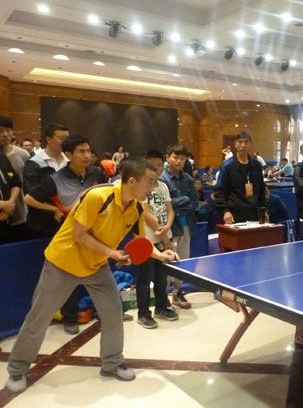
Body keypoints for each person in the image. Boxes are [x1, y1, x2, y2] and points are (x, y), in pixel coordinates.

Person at [5, 159, 179, 392]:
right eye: (150, 181)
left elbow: (141, 240)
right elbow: (79, 234)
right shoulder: (97, 196)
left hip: (96, 266)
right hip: (63, 263)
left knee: (113, 313)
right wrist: (112, 253)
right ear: (131, 181)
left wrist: (160, 254)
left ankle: (112, 362)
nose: (153, 186)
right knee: (39, 316)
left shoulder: (137, 207)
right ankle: (17, 369)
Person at [23, 135, 105, 334]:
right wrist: (55, 209)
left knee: (100, 277)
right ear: (68, 154)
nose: (87, 155)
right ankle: (70, 317)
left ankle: (103, 312)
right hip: (69, 237)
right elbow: (29, 199)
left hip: (96, 234)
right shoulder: (55, 179)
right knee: (70, 279)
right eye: (81, 152)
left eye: (88, 151)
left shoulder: (96, 173)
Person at [136, 150, 179, 329]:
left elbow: (170, 210)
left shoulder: (162, 186)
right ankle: (143, 313)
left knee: (162, 277)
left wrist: (167, 227)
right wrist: (163, 235)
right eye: (153, 165)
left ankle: (161, 307)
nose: (157, 168)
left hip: (164, 236)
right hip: (147, 239)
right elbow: (146, 215)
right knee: (145, 279)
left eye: (160, 165)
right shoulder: (142, 188)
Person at [159, 144, 199, 309]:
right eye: (175, 157)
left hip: (186, 225)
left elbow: (194, 202)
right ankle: (164, 296)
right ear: (168, 157)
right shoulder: (162, 179)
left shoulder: (188, 179)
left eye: (182, 158)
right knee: (168, 260)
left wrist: (178, 203)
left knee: (183, 259)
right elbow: (164, 204)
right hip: (169, 226)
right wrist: (184, 200)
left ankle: (177, 292)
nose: (179, 161)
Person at [23, 124, 70, 238]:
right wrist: (54, 209)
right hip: (42, 224)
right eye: (61, 139)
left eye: (68, 139)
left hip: (67, 223)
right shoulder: (34, 163)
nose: (66, 143)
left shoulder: (70, 161)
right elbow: (31, 196)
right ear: (48, 139)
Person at [215, 131, 267, 224]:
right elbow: (219, 191)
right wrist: (225, 211)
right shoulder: (227, 166)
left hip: (254, 214)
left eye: (246, 142)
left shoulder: (257, 165)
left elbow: (261, 190)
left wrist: (263, 210)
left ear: (250, 144)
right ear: (235, 144)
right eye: (240, 142)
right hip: (234, 215)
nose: (243, 145)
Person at [0, 116, 22, 244]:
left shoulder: (3, 158)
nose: (5, 134)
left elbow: (16, 183)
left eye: (8, 130)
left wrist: (11, 203)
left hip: (5, 221)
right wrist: (4, 205)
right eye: (0, 131)